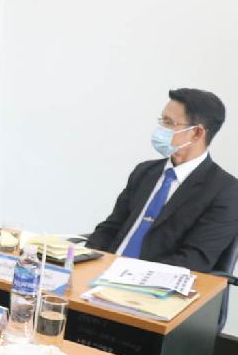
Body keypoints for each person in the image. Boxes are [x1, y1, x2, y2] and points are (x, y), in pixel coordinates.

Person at [87, 89, 238, 272]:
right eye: (162, 121)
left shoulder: (225, 191)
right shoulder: (145, 171)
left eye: (169, 122)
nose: (160, 129)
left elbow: (194, 259)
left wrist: (131, 275)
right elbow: (111, 228)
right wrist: (84, 259)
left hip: (152, 283)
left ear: (197, 133)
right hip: (103, 273)